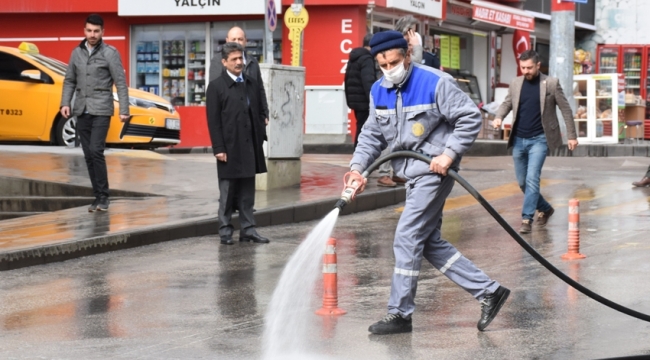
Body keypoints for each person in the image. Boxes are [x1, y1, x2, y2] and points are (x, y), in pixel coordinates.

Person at [348, 31, 509, 335]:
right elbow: (371, 136)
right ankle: (489, 291)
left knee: (407, 236)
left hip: (433, 172)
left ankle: (400, 314)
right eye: (383, 65)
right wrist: (357, 169)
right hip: (409, 175)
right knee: (428, 243)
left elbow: (469, 118)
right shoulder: (378, 91)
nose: (389, 69)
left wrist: (448, 155)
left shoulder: (434, 82)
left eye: (394, 62)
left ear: (407, 55)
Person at [493, 50, 578, 234]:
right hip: (518, 139)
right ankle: (546, 208)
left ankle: (526, 219)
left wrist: (572, 135)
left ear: (538, 65)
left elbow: (566, 110)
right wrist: (499, 117)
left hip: (539, 139)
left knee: (532, 179)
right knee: (523, 182)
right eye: (523, 67)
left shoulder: (551, 84)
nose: (526, 71)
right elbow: (507, 103)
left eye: (529, 67)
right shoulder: (516, 84)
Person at [60, 14, 129, 212]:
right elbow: (69, 80)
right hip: (81, 109)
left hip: (101, 109)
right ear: (84, 30)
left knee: (96, 150)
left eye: (96, 31)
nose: (92, 34)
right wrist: (65, 102)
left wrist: (124, 109)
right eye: (89, 31)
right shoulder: (76, 53)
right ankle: (97, 196)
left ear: (102, 32)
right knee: (88, 153)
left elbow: (121, 83)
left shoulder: (110, 53)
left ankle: (104, 196)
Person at [206, 42, 269, 246]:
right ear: (224, 62)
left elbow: (259, 105)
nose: (239, 62)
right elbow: (213, 121)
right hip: (229, 147)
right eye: (234, 59)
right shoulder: (216, 87)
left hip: (250, 145)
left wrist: (261, 124)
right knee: (228, 192)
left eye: (240, 58)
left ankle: (248, 229)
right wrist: (219, 148)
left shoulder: (250, 82)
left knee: (247, 193)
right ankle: (225, 231)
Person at [344, 34, 395, 187]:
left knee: (361, 130)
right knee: (367, 133)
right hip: (365, 101)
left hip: (355, 100)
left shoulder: (354, 57)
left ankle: (359, 164)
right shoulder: (366, 59)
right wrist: (376, 100)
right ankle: (362, 165)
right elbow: (368, 82)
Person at [209, 26, 268, 126]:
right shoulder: (218, 61)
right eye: (233, 39)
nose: (237, 42)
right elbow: (215, 92)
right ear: (227, 41)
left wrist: (264, 114)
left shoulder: (253, 62)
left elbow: (260, 89)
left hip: (252, 119)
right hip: (230, 119)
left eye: (240, 39)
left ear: (245, 41)